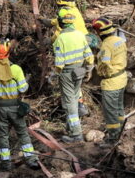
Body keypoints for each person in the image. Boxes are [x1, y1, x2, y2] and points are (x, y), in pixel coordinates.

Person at [0, 40, 40, 171]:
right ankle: (31, 160)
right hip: (15, 108)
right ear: (9, 53)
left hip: (0, 108)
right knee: (23, 133)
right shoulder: (16, 69)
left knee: (3, 136)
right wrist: (26, 81)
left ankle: (5, 164)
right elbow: (23, 89)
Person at [52, 9, 94, 143]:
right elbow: (89, 55)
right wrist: (88, 69)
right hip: (79, 71)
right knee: (75, 97)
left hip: (67, 74)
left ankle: (76, 134)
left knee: (70, 102)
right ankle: (71, 128)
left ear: (61, 24)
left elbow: (59, 63)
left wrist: (54, 74)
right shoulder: (80, 35)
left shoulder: (60, 39)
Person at [91, 17, 128, 146]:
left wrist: (99, 68)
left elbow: (105, 62)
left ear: (100, 33)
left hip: (111, 83)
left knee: (111, 112)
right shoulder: (120, 40)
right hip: (122, 79)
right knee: (119, 109)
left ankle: (113, 139)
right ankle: (122, 132)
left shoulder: (106, 45)